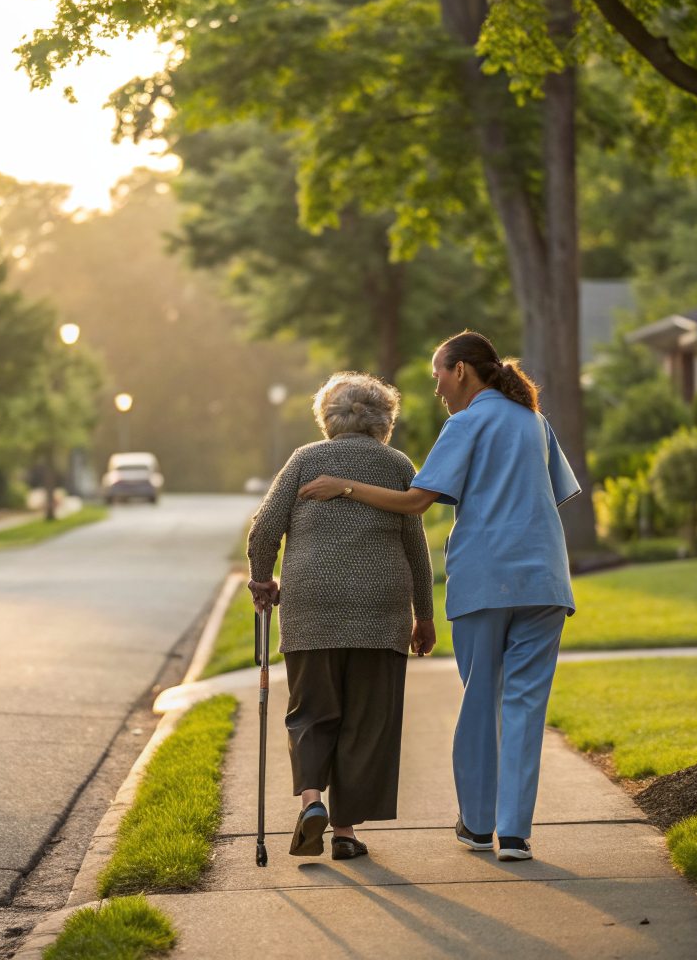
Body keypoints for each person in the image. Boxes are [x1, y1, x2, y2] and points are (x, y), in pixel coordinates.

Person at [298, 331, 579, 862]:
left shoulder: (466, 422)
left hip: (484, 583)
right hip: (544, 581)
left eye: (438, 376)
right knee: (524, 706)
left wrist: (345, 486)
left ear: (463, 372)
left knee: (480, 701)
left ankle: (476, 826)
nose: (437, 389)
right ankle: (514, 835)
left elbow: (415, 502)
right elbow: (552, 494)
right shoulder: (536, 422)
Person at [247, 372, 435, 861]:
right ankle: (345, 834)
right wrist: (425, 615)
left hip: (312, 607)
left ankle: (313, 803)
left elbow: (264, 529)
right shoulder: (396, 464)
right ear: (384, 419)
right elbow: (416, 548)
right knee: (365, 723)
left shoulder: (305, 459)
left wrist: (262, 579)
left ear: (327, 417)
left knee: (312, 712)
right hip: (381, 610)